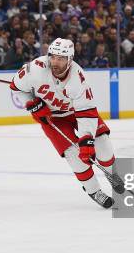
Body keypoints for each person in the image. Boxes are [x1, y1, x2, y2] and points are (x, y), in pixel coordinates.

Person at [10, 38, 121, 208]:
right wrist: (32, 104)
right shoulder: (35, 69)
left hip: (77, 113)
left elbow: (86, 113)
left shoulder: (78, 79)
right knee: (74, 156)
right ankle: (93, 190)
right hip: (53, 119)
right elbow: (16, 88)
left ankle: (112, 173)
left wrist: (86, 141)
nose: (55, 62)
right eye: (53, 57)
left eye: (61, 58)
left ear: (70, 59)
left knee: (103, 145)